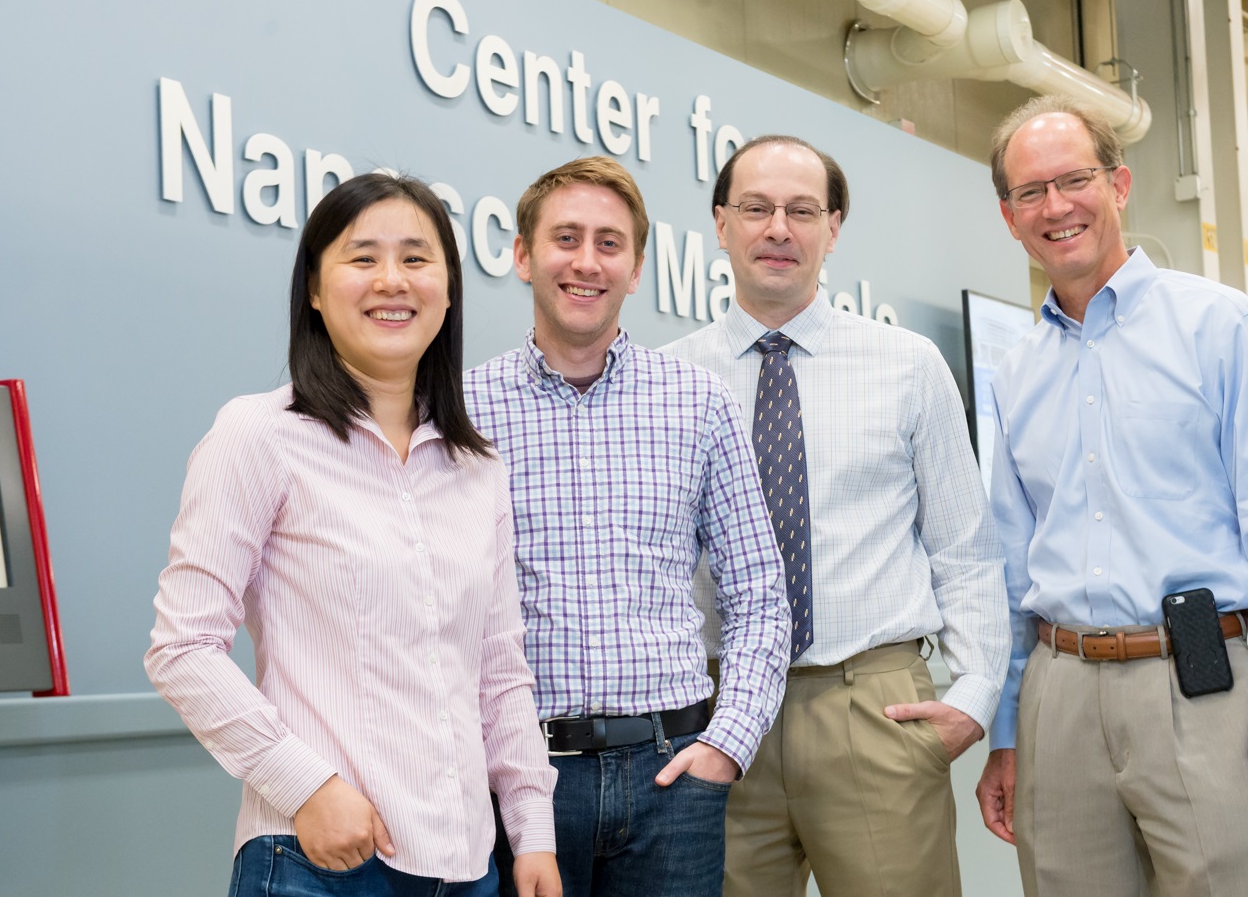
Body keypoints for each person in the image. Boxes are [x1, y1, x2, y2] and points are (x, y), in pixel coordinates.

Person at [145, 173, 560, 897]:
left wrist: (532, 833)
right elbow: (182, 649)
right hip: (318, 861)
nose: (391, 281)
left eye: (416, 258)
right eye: (362, 257)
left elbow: (498, 673)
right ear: (313, 287)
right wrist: (307, 786)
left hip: (468, 867)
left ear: (450, 288)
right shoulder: (259, 435)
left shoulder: (477, 467)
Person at [974, 95, 1248, 897]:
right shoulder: (1017, 372)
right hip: (1058, 693)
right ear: (1008, 216)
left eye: (1074, 180)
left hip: (1200, 678)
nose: (1056, 207)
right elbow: (1009, 562)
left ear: (1121, 184)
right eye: (1031, 192)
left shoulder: (1223, 328)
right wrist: (1007, 726)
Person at [662, 135, 1009, 897]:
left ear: (834, 227)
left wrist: (975, 697)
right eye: (755, 208)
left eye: (801, 210)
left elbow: (966, 549)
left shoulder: (907, 365)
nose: (778, 228)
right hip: (721, 712)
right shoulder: (670, 380)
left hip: (872, 704)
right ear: (720, 224)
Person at [465, 156, 790, 897]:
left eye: (610, 243)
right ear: (522, 255)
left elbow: (760, 594)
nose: (587, 262)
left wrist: (727, 746)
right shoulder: (462, 412)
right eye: (566, 238)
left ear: (637, 267)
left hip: (672, 779)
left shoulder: (698, 402)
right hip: (518, 780)